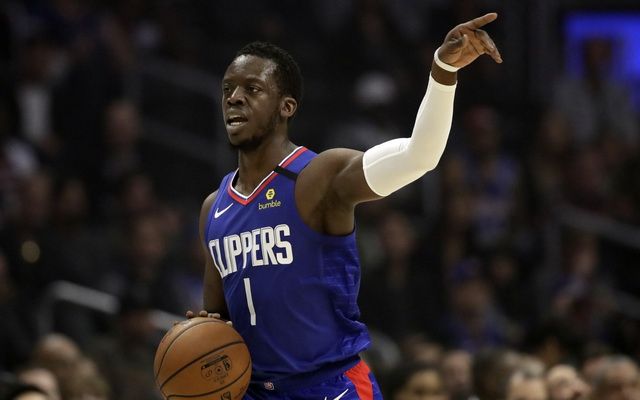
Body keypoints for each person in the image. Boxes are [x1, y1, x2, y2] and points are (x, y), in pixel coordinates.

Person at [191, 12, 502, 400]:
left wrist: (443, 71)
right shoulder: (213, 208)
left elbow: (420, 155)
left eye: (252, 88)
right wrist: (199, 340)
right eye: (228, 89)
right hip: (255, 392)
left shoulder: (318, 176)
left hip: (330, 386)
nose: (234, 97)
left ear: (286, 107)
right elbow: (219, 321)